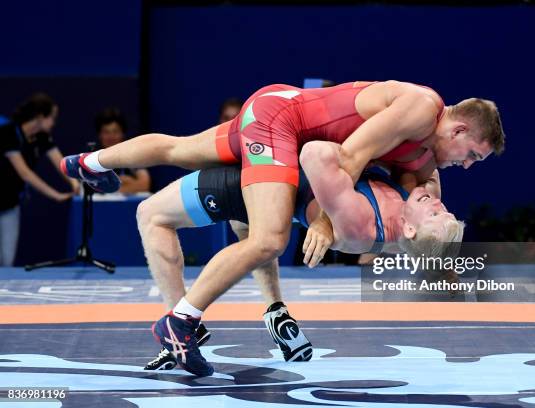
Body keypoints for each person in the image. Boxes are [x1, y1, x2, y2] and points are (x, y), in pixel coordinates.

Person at [63, 80, 504, 375]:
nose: (467, 166)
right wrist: (328, 224)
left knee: (182, 149)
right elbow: (345, 157)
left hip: (280, 109)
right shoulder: (423, 108)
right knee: (270, 237)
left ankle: (89, 163)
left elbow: (420, 220)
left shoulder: (426, 159)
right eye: (472, 155)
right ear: (460, 127)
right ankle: (180, 321)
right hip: (283, 125)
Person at [141, 140, 462, 372]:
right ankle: (272, 309)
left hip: (263, 173)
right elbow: (424, 162)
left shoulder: (360, 227)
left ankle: (180, 322)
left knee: (154, 210)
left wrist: (323, 224)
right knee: (252, 229)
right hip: (274, 171)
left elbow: (324, 165)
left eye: (435, 215)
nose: (437, 205)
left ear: (408, 229)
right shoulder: (416, 203)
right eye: (444, 209)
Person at [0, 93, 78, 266]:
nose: (54, 123)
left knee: (6, 260)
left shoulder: (42, 137)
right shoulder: (7, 133)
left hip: (10, 206)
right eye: (52, 117)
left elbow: (61, 162)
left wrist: (74, 183)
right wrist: (55, 195)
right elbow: (25, 173)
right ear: (40, 117)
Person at [95, 108, 151, 194]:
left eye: (115, 131)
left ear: (122, 134)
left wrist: (110, 188)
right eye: (106, 132)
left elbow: (144, 184)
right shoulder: (92, 158)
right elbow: (90, 189)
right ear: (100, 135)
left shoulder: (133, 156)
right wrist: (126, 183)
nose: (111, 137)